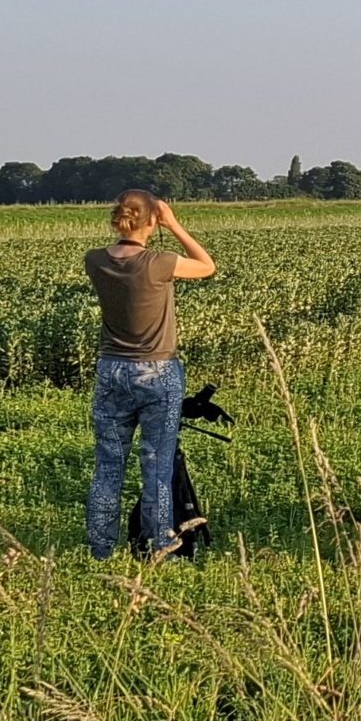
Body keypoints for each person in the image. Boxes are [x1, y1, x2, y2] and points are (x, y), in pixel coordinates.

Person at [84, 190, 218, 559]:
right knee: (157, 464)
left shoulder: (95, 260)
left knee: (108, 465)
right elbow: (207, 265)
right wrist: (174, 224)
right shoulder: (159, 262)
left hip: (111, 369)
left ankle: (100, 548)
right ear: (153, 221)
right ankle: (161, 543)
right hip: (158, 369)